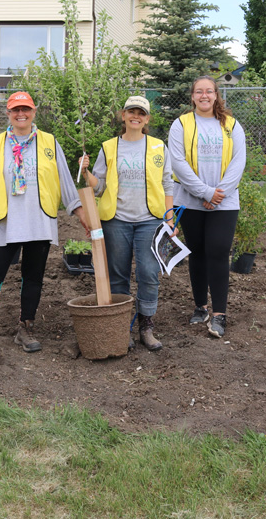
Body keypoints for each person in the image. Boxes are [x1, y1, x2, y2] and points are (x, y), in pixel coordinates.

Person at [0, 91, 89, 355]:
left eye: (26, 109)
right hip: (4, 223)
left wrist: (80, 214)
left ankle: (26, 328)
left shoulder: (49, 143)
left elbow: (65, 182)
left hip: (38, 221)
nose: (21, 114)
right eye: (15, 110)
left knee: (33, 278)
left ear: (34, 112)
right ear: (8, 114)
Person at [79, 95, 174, 351]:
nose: (136, 116)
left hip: (150, 221)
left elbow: (167, 184)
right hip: (116, 220)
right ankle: (122, 328)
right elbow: (100, 187)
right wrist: (87, 172)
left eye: (141, 113)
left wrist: (169, 218)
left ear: (147, 119)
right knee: (118, 275)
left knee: (149, 273)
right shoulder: (109, 147)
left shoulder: (158, 147)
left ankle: (146, 326)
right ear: (123, 116)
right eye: (131, 111)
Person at [168, 75, 246, 339]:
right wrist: (204, 192)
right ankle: (200, 306)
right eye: (199, 92)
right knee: (197, 252)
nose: (204, 96)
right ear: (192, 96)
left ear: (216, 95)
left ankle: (219, 314)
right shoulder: (181, 125)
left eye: (209, 91)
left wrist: (217, 195)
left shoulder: (232, 126)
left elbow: (238, 162)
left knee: (218, 251)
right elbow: (177, 161)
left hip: (225, 202)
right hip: (190, 200)